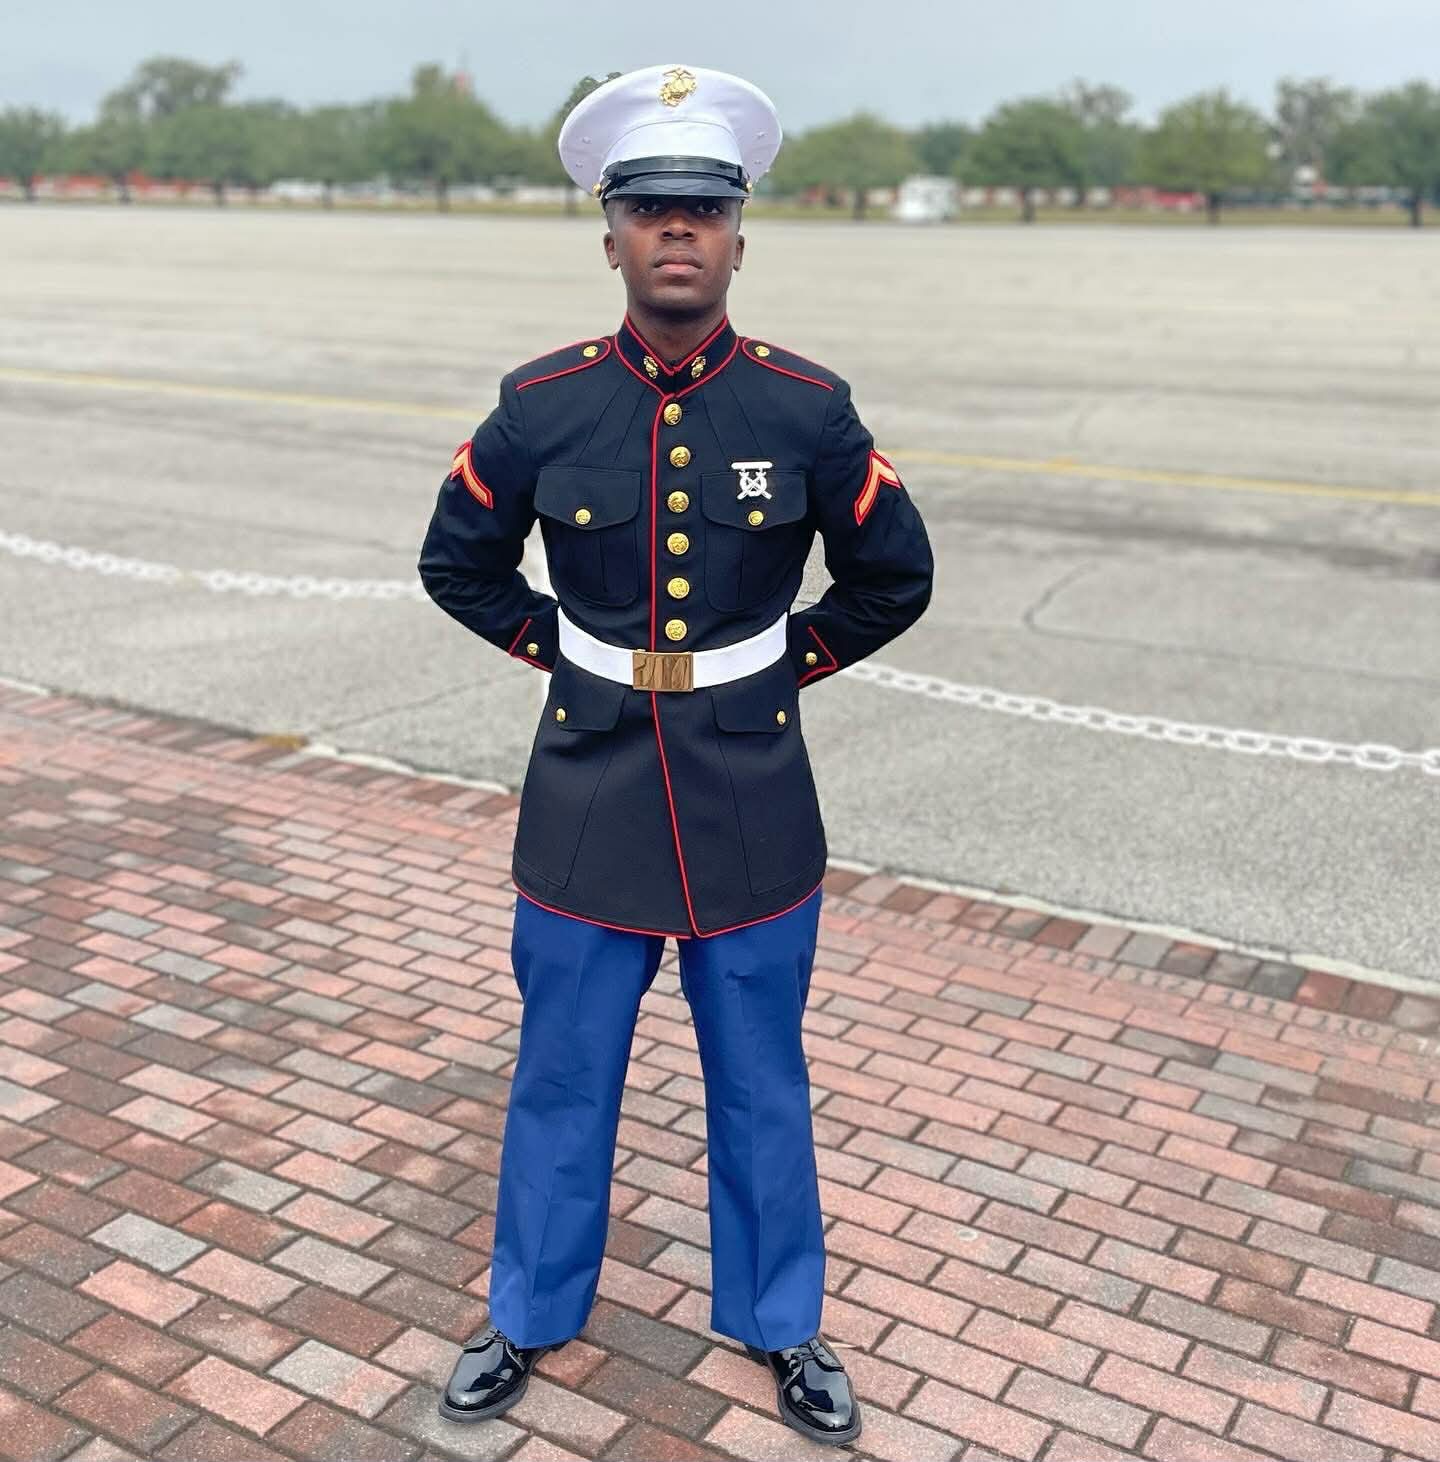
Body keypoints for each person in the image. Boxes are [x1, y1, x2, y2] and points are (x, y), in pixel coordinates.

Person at [417, 62, 933, 1448]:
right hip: (588, 788)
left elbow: (894, 575)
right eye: (651, 209)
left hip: (752, 789)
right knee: (562, 1072)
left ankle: (782, 1321)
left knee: (761, 1082)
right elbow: (457, 563)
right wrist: (566, 653)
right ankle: (526, 1312)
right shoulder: (543, 405)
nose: (678, 232)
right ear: (612, 239)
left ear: (740, 237)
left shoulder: (804, 409)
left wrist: (781, 665)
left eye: (704, 209)